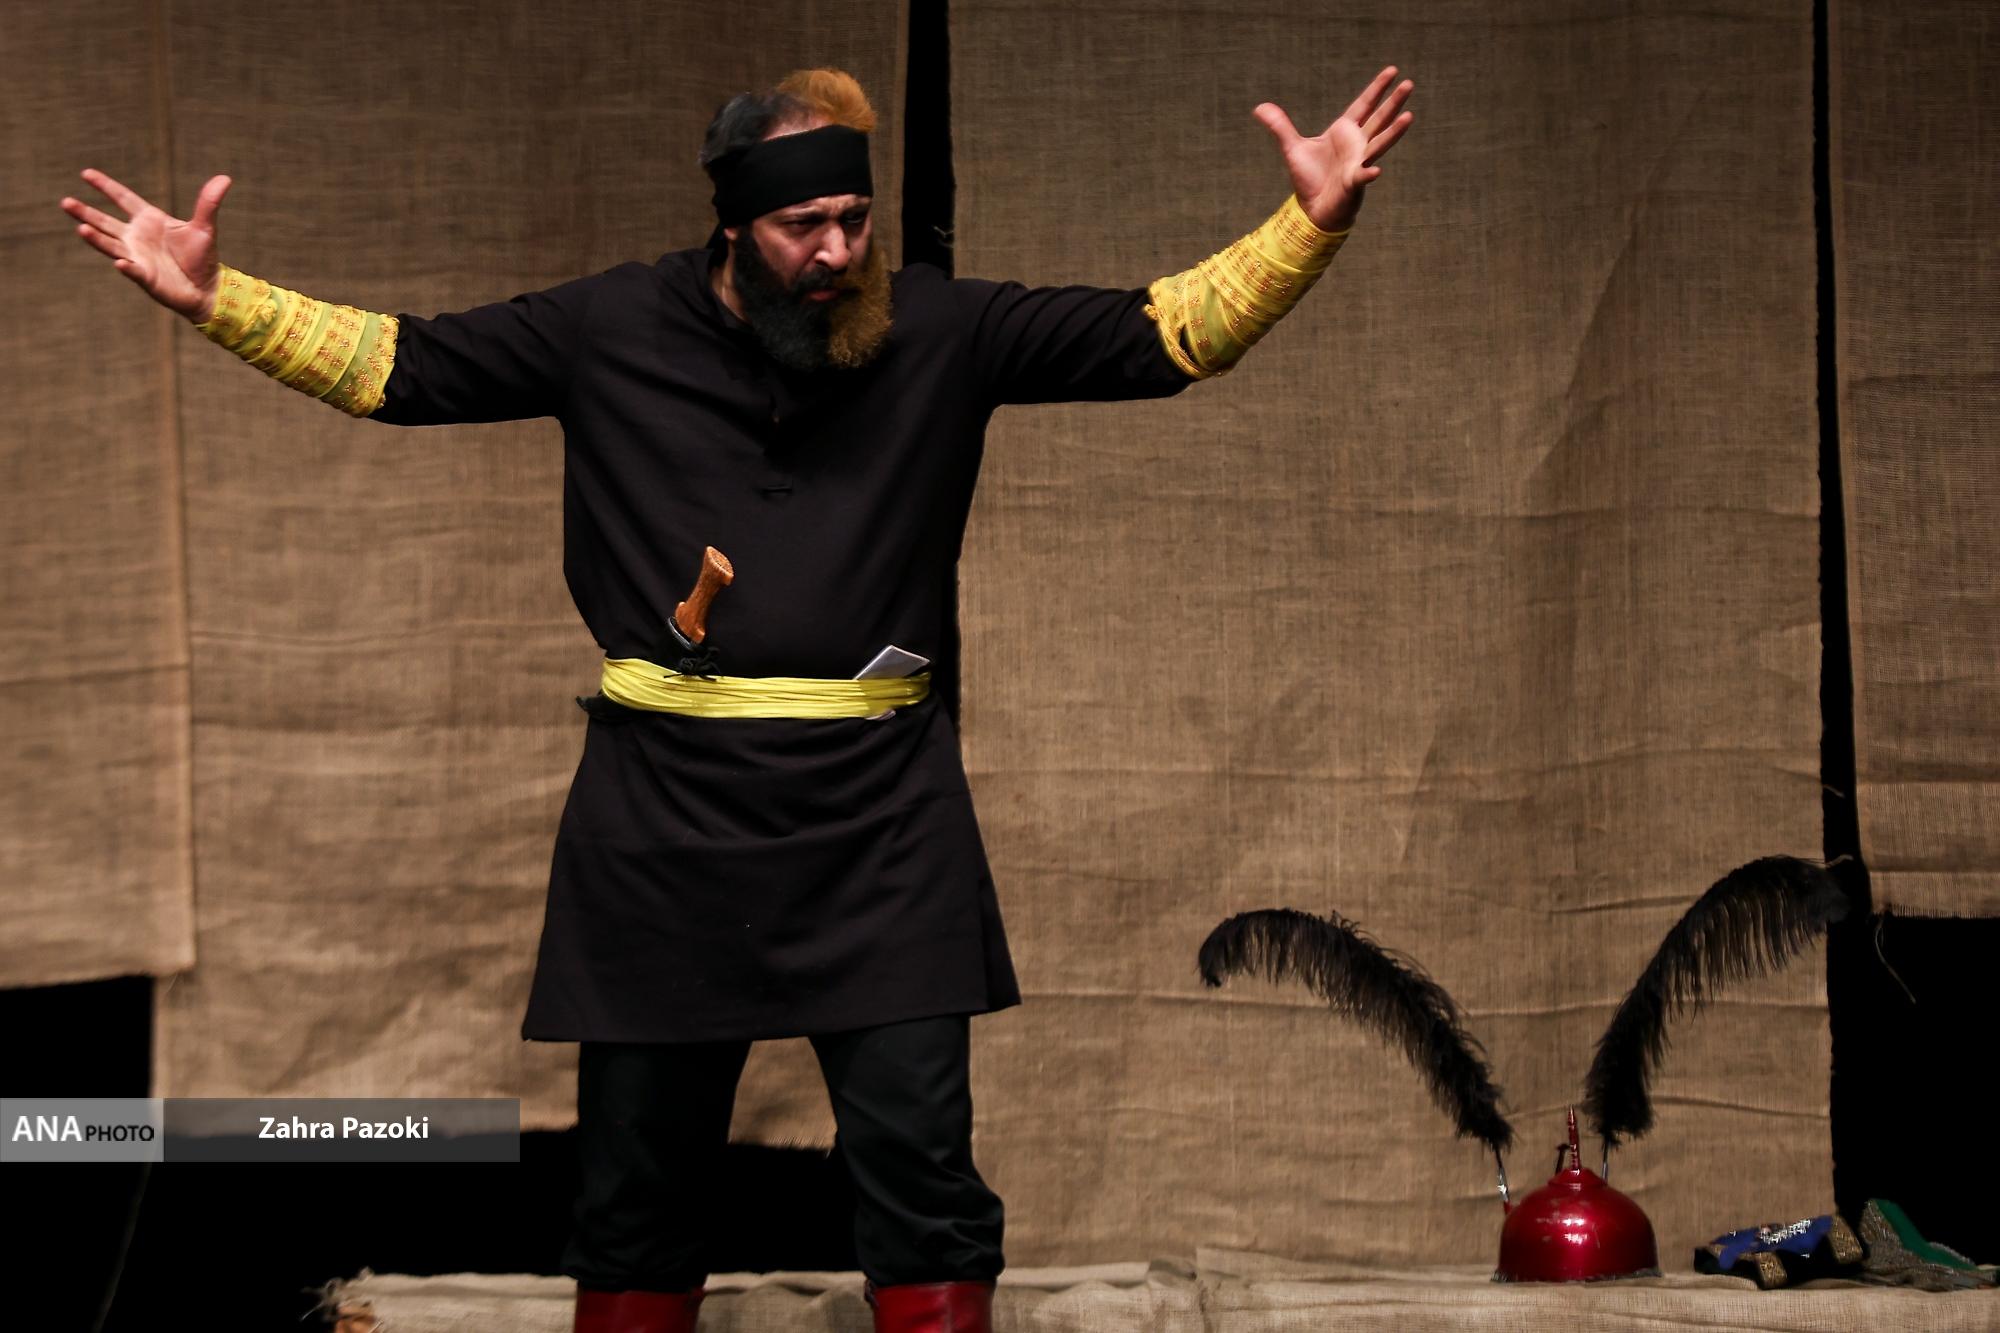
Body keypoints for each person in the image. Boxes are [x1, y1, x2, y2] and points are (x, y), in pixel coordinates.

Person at [63, 64, 1414, 1333]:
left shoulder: (940, 328)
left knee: (922, 1176)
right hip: (663, 817)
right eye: (800, 226)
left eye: (854, 219)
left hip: (880, 821)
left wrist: (1309, 225)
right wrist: (218, 298)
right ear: (731, 224)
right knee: (636, 1194)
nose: (836, 252)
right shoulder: (609, 328)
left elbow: (1167, 334)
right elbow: (398, 367)